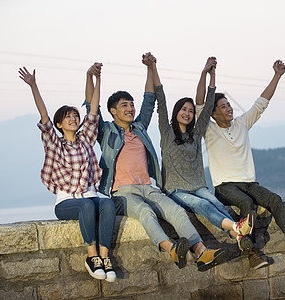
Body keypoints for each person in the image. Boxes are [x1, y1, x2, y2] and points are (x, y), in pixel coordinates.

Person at [84, 53, 229, 272]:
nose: (130, 109)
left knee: (178, 212)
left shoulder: (139, 127)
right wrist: (92, 78)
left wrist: (151, 68)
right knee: (145, 213)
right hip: (123, 193)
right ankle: (172, 248)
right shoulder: (105, 131)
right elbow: (90, 109)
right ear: (113, 111)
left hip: (149, 188)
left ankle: (201, 252)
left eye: (131, 105)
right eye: (124, 105)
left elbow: (149, 100)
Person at [196, 60, 285, 269]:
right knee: (247, 204)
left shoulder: (242, 124)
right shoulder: (209, 129)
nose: (229, 109)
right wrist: (205, 74)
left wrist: (277, 75)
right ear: (214, 114)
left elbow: (262, 102)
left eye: (228, 105)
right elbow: (200, 104)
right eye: (223, 107)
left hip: (249, 183)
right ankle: (252, 253)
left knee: (274, 199)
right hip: (225, 187)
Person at [19, 64, 117, 282]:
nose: (74, 119)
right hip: (67, 202)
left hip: (90, 196)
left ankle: (104, 258)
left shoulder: (85, 140)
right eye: (68, 117)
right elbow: (43, 115)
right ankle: (91, 257)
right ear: (59, 124)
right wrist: (34, 86)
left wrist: (97, 78)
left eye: (75, 115)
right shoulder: (55, 144)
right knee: (87, 205)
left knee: (108, 204)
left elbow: (93, 109)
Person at [155, 57, 254, 255]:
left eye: (191, 111)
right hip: (176, 190)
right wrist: (153, 67)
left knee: (216, 204)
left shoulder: (195, 134)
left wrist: (210, 74)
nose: (187, 113)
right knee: (201, 205)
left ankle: (238, 236)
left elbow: (208, 105)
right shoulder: (167, 132)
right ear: (176, 112)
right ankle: (236, 229)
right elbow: (162, 99)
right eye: (183, 109)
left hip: (198, 185)